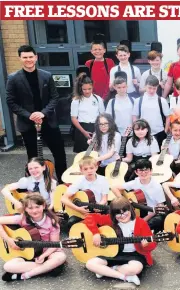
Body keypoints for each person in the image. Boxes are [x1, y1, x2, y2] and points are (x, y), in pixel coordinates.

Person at [6, 45, 67, 182]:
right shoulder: (13, 78)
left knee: (60, 155)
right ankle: (35, 185)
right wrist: (30, 115)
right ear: (20, 59)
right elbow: (11, 102)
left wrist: (43, 113)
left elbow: (54, 97)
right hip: (28, 124)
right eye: (25, 57)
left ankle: (63, 184)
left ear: (36, 57)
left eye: (30, 57)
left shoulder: (46, 76)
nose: (28, 60)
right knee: (33, 158)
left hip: (49, 122)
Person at [84, 197, 156, 286]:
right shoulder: (111, 220)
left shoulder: (140, 223)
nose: (122, 216)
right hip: (113, 253)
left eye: (125, 212)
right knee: (90, 264)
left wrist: (146, 245)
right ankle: (124, 277)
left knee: (135, 269)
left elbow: (152, 244)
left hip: (134, 254)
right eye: (118, 214)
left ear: (131, 209)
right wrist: (95, 233)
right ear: (113, 215)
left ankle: (108, 270)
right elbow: (89, 217)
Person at [0, 194, 66, 282]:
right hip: (28, 253)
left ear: (43, 206)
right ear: (25, 209)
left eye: (37, 207)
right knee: (7, 266)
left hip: (48, 252)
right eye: (30, 208)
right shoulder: (21, 218)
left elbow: (54, 244)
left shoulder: (52, 222)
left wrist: (43, 256)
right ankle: (48, 268)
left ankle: (25, 275)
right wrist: (8, 239)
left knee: (61, 257)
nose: (34, 211)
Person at [111, 159, 166, 232]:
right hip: (138, 211)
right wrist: (124, 202)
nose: (143, 173)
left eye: (146, 170)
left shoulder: (157, 186)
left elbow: (160, 207)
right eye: (140, 170)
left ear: (151, 171)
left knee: (157, 220)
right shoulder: (135, 182)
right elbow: (114, 187)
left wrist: (143, 221)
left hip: (152, 213)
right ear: (136, 172)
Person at [61, 156, 110, 230]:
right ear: (81, 170)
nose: (89, 171)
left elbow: (104, 199)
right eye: (85, 169)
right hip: (84, 210)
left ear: (96, 167)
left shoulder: (103, 180)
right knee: (71, 222)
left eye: (91, 168)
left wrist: (99, 206)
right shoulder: (79, 181)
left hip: (100, 208)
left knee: (110, 219)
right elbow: (63, 198)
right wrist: (78, 209)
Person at [132, 75, 171, 148]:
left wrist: (165, 131)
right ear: (145, 86)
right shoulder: (138, 101)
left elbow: (168, 117)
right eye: (149, 88)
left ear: (157, 87)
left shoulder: (162, 100)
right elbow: (134, 116)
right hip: (143, 134)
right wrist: (137, 130)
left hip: (159, 133)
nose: (152, 91)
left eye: (154, 88)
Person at [71, 72, 104, 153]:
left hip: (96, 128)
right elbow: (74, 118)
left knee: (97, 153)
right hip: (82, 128)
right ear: (80, 88)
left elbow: (102, 115)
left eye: (89, 89)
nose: (87, 91)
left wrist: (99, 129)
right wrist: (84, 132)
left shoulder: (98, 99)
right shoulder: (76, 100)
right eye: (84, 89)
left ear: (92, 87)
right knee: (82, 156)